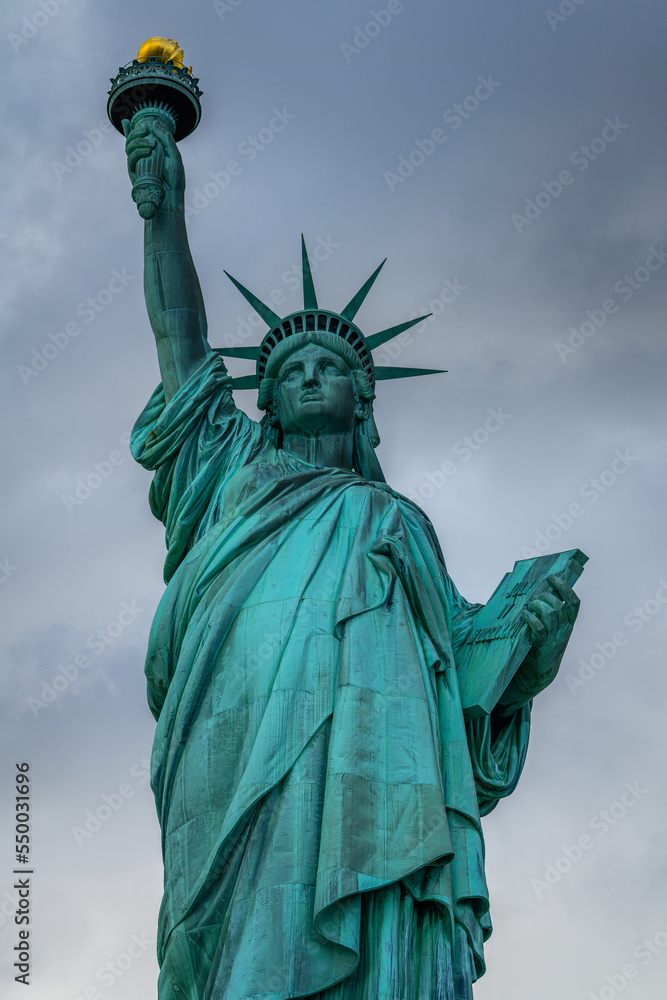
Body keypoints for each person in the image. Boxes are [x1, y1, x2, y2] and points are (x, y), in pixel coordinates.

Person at [124, 118, 580, 1000]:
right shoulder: (228, 468)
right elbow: (181, 345)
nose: (304, 376)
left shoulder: (398, 522)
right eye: (286, 368)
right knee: (221, 944)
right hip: (231, 727)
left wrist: (534, 652)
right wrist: (163, 215)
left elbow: (463, 678)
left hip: (376, 768)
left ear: (363, 396)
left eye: (326, 365)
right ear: (264, 403)